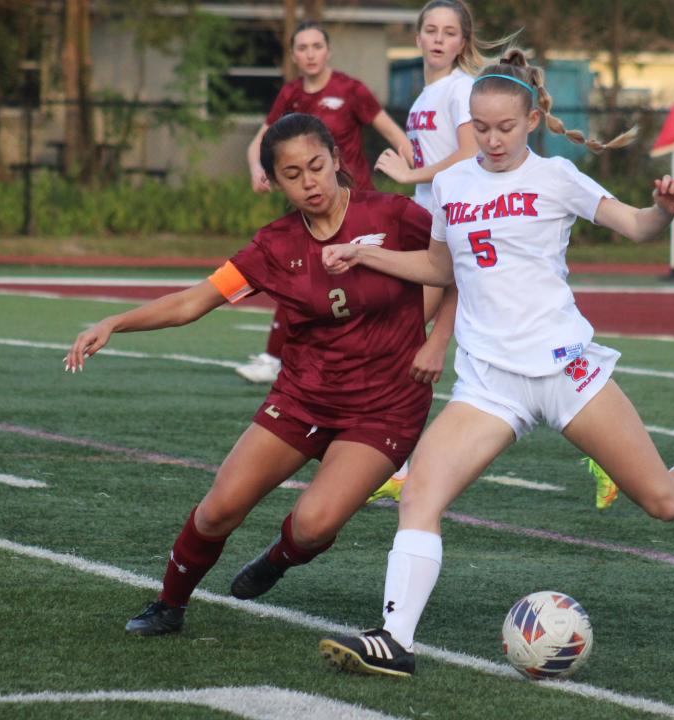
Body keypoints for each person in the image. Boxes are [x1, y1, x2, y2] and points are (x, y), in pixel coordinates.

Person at [317, 49, 674, 677]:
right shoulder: (453, 183)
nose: (491, 140)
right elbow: (439, 267)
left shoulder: (557, 178)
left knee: (664, 501)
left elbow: (639, 228)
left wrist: (665, 212)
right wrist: (364, 255)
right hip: (489, 381)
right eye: (480, 128)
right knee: (419, 496)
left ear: (533, 119)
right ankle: (394, 639)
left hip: (566, 372)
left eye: (505, 128)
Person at [65, 113, 439, 636]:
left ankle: (278, 558)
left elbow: (458, 267)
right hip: (306, 395)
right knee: (219, 508)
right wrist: (116, 322)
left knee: (313, 525)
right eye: (292, 173)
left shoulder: (395, 215)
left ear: (336, 159)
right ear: (275, 182)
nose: (309, 181)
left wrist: (437, 341)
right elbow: (195, 301)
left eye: (316, 166)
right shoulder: (274, 246)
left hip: (386, 405)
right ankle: (169, 604)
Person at [370, 0, 505, 502]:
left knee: (403, 344)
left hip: (453, 231)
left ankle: (397, 462)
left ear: (463, 42)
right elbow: (440, 156)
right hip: (431, 227)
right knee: (406, 345)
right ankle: (395, 460)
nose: (439, 38)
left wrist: (410, 175)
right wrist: (410, 164)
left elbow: (469, 156)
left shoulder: (460, 89)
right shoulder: (426, 93)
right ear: (418, 36)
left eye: (449, 32)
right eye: (431, 29)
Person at [237, 20, 413, 385]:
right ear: (293, 56)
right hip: (313, 211)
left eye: (316, 46)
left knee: (374, 286)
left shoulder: (351, 90)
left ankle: (387, 354)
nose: (310, 53)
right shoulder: (290, 95)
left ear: (328, 50)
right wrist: (257, 168)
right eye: (302, 48)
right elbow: (261, 140)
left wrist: (410, 170)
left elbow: (395, 133)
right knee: (303, 282)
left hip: (355, 209)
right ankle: (279, 358)